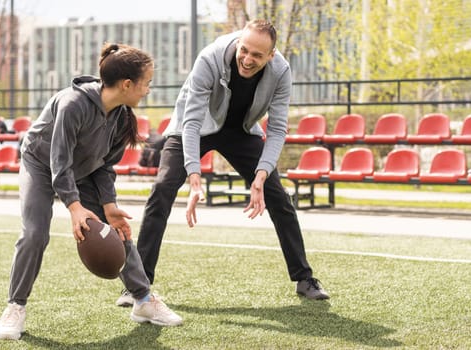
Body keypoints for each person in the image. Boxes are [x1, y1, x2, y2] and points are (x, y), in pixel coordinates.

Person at [116, 19, 329, 307]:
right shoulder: (210, 57)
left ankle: (304, 278)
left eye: (257, 55)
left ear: (271, 55)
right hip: (193, 127)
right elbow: (191, 122)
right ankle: (137, 285)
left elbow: (277, 129)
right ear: (239, 41)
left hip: (240, 131)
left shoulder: (281, 71)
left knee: (278, 197)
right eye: (245, 50)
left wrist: (262, 175)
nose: (248, 59)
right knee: (162, 190)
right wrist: (194, 174)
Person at [0, 43, 183, 341]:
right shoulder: (73, 104)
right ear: (127, 84)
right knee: (34, 233)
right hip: (41, 164)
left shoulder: (122, 117)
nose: (148, 90)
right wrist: (74, 207)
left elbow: (105, 167)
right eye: (146, 83)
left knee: (117, 227)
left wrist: (108, 206)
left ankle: (144, 300)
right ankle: (15, 307)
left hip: (82, 170)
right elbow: (59, 162)